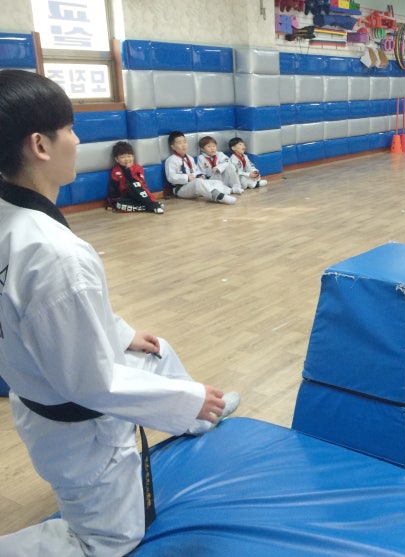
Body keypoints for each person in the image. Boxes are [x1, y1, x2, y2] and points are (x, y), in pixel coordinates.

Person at [0, 69, 240, 557]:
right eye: (69, 129)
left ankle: (197, 419)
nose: (77, 140)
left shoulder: (14, 219)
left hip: (37, 378)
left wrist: (121, 333)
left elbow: (49, 315)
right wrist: (186, 398)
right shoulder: (55, 254)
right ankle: (193, 409)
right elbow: (91, 383)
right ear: (40, 145)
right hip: (75, 426)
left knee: (155, 350)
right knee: (110, 542)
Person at [165, 131, 236, 204]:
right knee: (198, 182)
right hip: (181, 188)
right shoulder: (171, 160)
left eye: (185, 142)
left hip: (193, 184)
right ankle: (220, 197)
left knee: (216, 182)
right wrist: (186, 177)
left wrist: (200, 175)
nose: (183, 145)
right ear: (173, 147)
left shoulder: (190, 158)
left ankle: (222, 192)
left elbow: (196, 171)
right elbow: (171, 177)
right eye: (179, 143)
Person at [107, 141, 164, 214]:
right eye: (122, 157)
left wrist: (128, 170)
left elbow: (139, 185)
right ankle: (149, 207)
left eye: (129, 156)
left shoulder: (138, 168)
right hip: (127, 198)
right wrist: (113, 203)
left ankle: (152, 204)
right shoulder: (116, 171)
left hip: (140, 195)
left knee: (134, 185)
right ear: (117, 159)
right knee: (119, 205)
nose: (127, 159)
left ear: (133, 156)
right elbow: (113, 189)